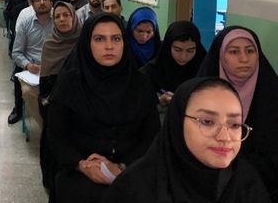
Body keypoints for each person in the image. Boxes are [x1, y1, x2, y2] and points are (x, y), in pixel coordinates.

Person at [48, 13, 160, 203]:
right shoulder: (70, 82)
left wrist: (123, 167)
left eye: (116, 39)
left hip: (133, 168)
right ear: (87, 43)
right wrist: (81, 165)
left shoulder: (140, 83)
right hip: (80, 169)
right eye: (99, 39)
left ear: (124, 42)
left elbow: (152, 136)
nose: (109, 46)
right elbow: (56, 136)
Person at [104, 77, 271, 203]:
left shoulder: (245, 181)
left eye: (234, 124)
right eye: (207, 122)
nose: (225, 137)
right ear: (178, 122)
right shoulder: (135, 187)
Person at [198, 26, 278, 201]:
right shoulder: (198, 96)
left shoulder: (273, 93)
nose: (244, 59)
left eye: (250, 51)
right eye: (234, 52)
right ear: (221, 56)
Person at [39, 1, 82, 199]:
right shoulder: (50, 44)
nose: (62, 19)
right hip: (56, 106)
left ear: (74, 17)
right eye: (57, 16)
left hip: (82, 108)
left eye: (66, 15)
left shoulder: (85, 44)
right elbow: (45, 86)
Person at [8, 0, 53, 125]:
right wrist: (28, 65)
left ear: (51, 3)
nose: (42, 2)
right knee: (23, 87)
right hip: (31, 67)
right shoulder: (25, 23)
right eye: (38, 0)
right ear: (32, 5)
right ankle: (18, 109)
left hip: (53, 67)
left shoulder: (58, 23)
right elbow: (16, 52)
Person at [141, 21, 206, 108]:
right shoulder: (150, 72)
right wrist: (159, 101)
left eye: (190, 51)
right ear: (168, 47)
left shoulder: (205, 70)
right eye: (177, 50)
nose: (183, 56)